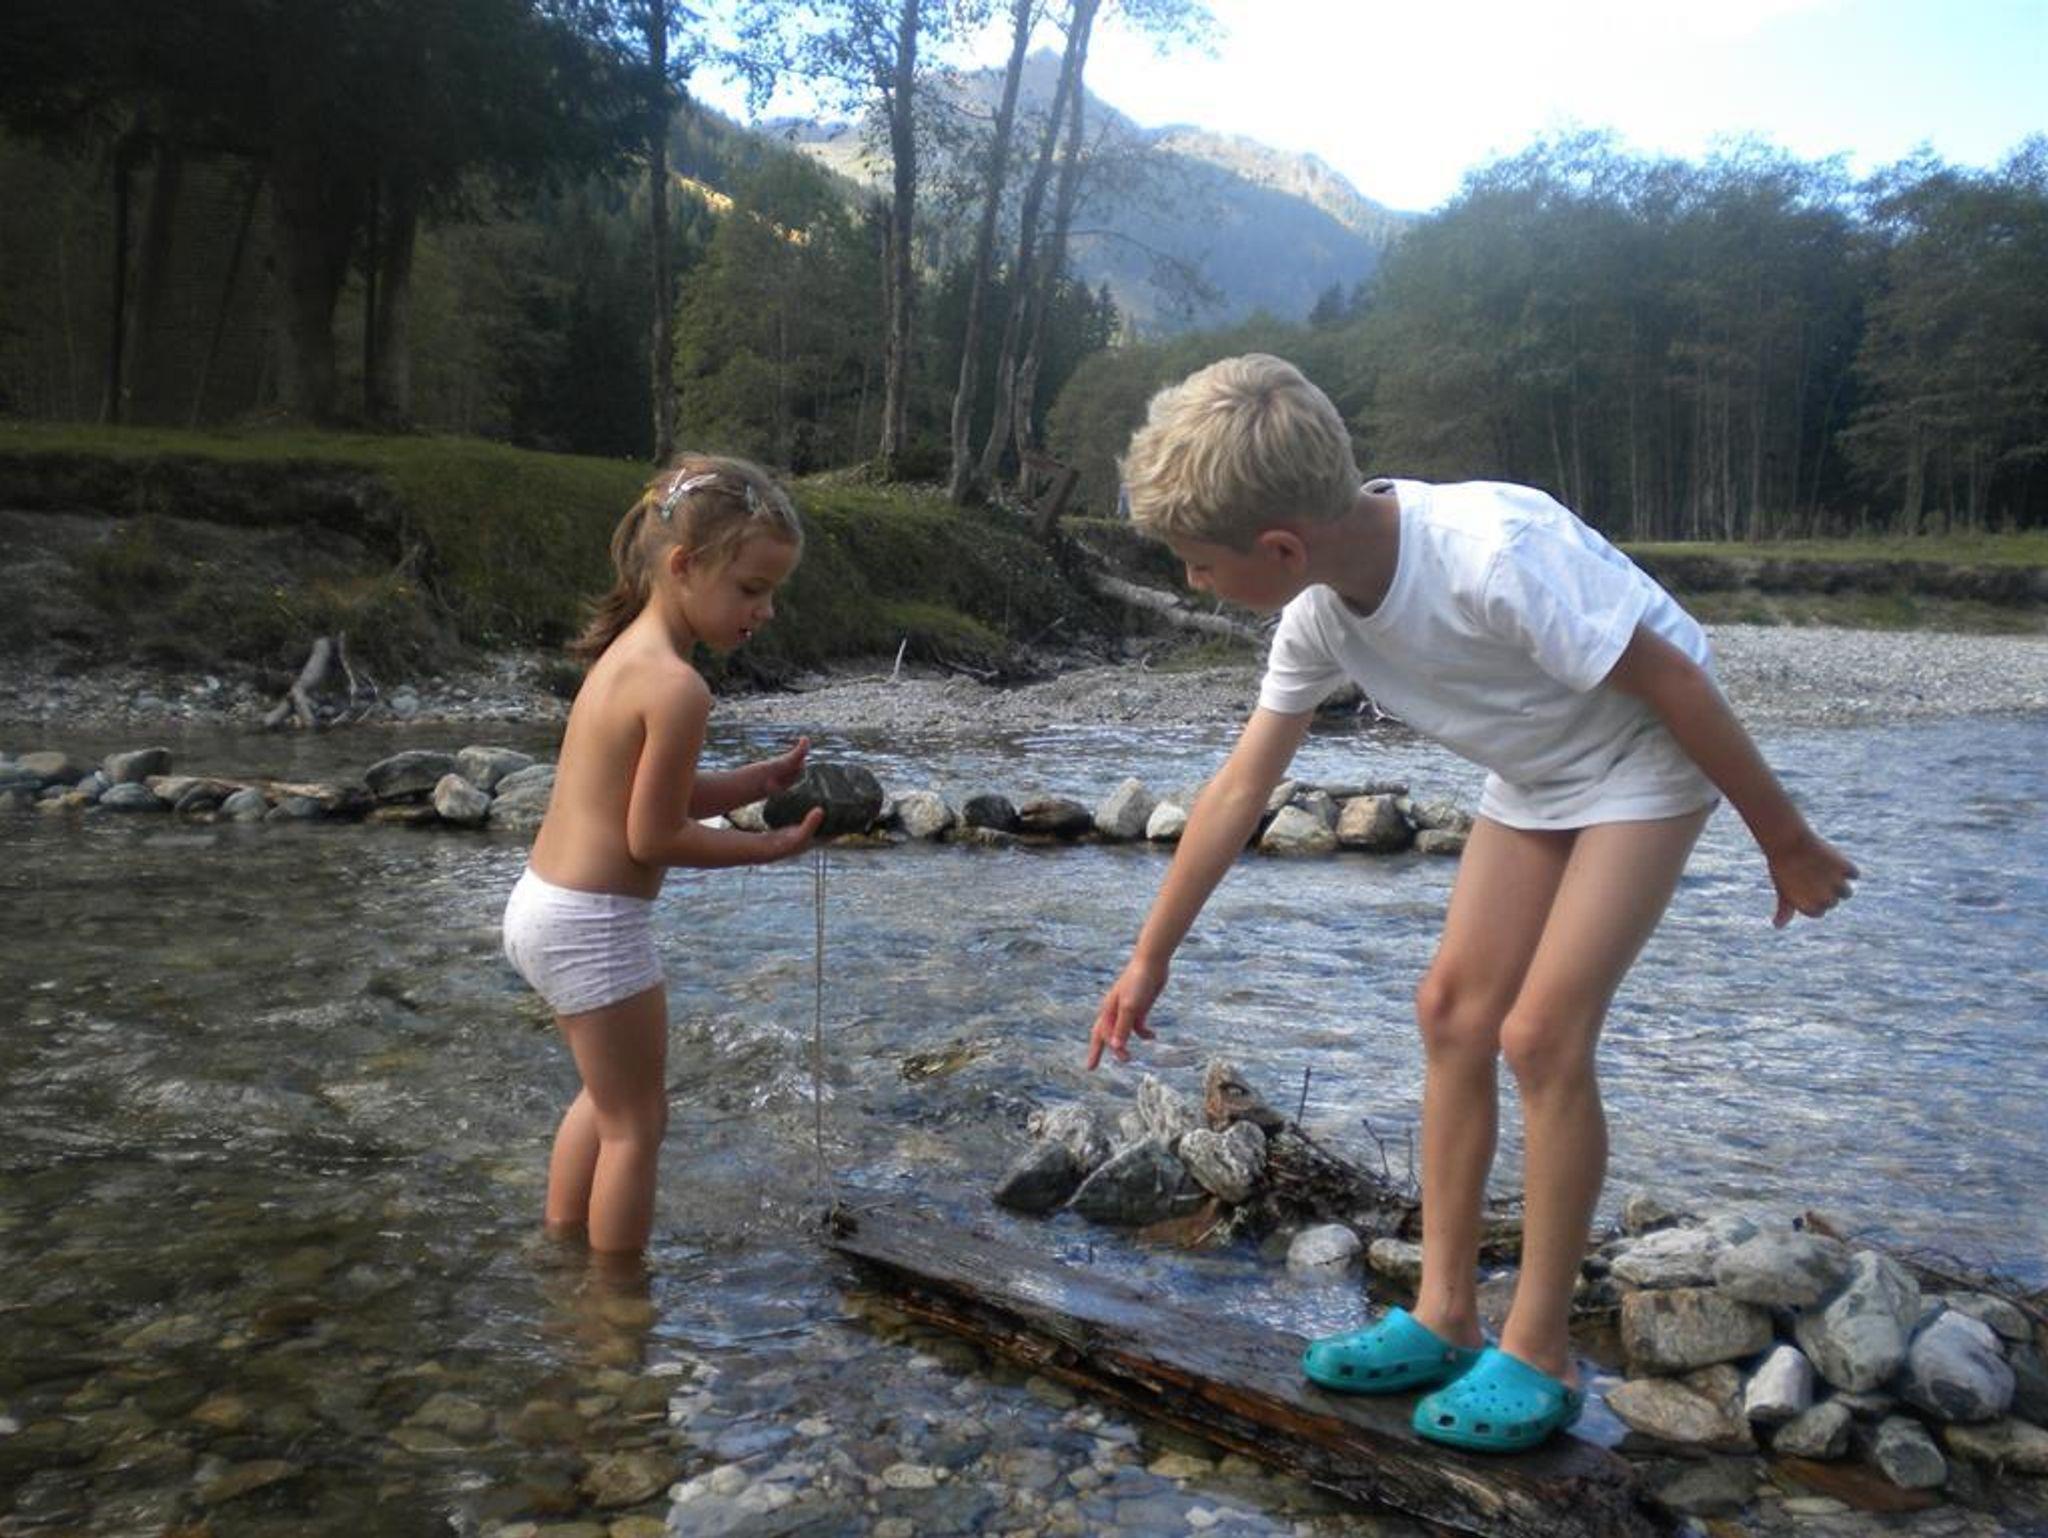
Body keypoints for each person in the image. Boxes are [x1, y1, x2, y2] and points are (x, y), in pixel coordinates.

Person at [1086, 355, 1857, 1452]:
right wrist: (1149, 953)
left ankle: (1539, 1348)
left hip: (1646, 754)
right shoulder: (1319, 616)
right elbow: (1240, 787)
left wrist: (1785, 841)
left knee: (1540, 1034)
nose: (1194, 580)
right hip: (1537, 771)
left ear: (1282, 549)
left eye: (1199, 563)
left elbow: (1677, 682)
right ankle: (1444, 1313)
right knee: (1451, 1010)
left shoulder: (1493, 553)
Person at [503, 454, 824, 1257]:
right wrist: (766, 848)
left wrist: (754, 781)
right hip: (595, 926)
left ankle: (563, 1252)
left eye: (772, 593)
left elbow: (648, 796)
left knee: (604, 1100)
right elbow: (652, 837)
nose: (766, 611)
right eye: (750, 589)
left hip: (543, 906)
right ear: (683, 566)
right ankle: (616, 1302)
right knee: (638, 1125)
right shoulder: (680, 689)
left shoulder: (625, 656)